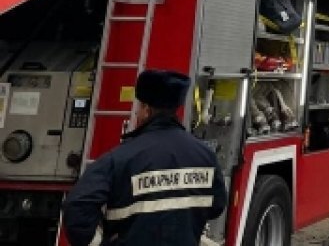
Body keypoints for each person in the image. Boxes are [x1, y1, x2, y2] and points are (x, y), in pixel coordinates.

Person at [63, 69, 227, 246]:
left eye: (138, 108)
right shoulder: (205, 155)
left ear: (147, 110)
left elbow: (77, 206)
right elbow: (217, 205)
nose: (136, 114)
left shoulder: (120, 157)